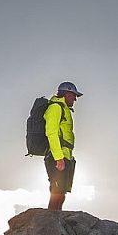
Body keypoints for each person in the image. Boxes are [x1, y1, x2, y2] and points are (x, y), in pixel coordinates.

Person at [44, 81, 82, 210]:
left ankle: (55, 221)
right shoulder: (55, 107)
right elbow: (51, 132)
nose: (75, 99)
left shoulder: (64, 109)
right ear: (66, 94)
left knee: (61, 191)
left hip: (65, 155)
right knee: (57, 191)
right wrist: (59, 157)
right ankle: (50, 223)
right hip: (57, 156)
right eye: (73, 95)